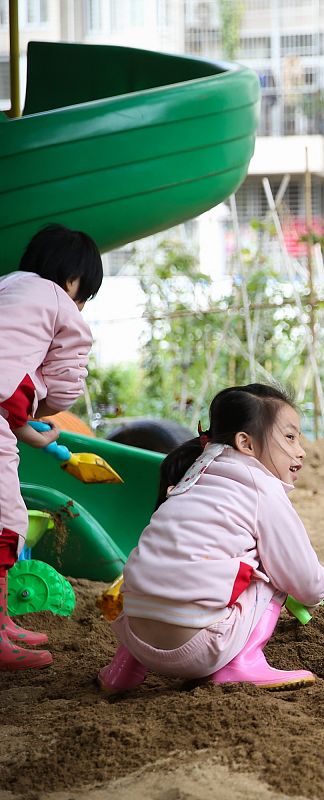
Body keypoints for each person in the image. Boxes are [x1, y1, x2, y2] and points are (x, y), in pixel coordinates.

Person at [97, 384, 324, 693]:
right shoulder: (262, 487)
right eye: (289, 437)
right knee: (273, 570)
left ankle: (122, 670)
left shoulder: (190, 475)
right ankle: (242, 665)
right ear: (246, 443)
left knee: (163, 564)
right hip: (197, 649)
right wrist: (316, 592)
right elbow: (305, 580)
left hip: (135, 635)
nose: (300, 449)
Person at [0, 224, 102, 670]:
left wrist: (26, 428)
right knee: (5, 521)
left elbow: (5, 389)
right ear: (73, 277)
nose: (81, 306)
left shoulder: (7, 287)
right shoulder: (58, 301)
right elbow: (64, 386)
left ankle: (2, 621)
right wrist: (49, 405)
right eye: (86, 295)